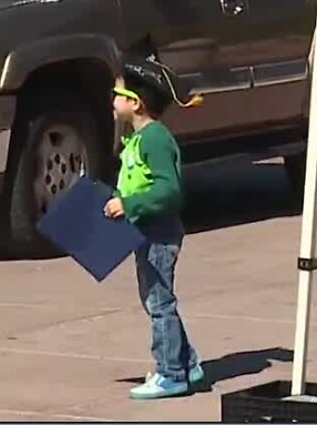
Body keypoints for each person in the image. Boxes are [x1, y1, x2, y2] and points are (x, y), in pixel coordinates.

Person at [105, 55, 203, 400]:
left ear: (135, 102)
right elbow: (134, 181)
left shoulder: (155, 140)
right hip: (144, 231)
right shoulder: (135, 140)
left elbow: (169, 189)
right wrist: (117, 200)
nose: (111, 99)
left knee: (159, 302)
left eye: (116, 93)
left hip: (159, 233)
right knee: (155, 300)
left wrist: (129, 205)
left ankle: (171, 373)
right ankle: (187, 362)